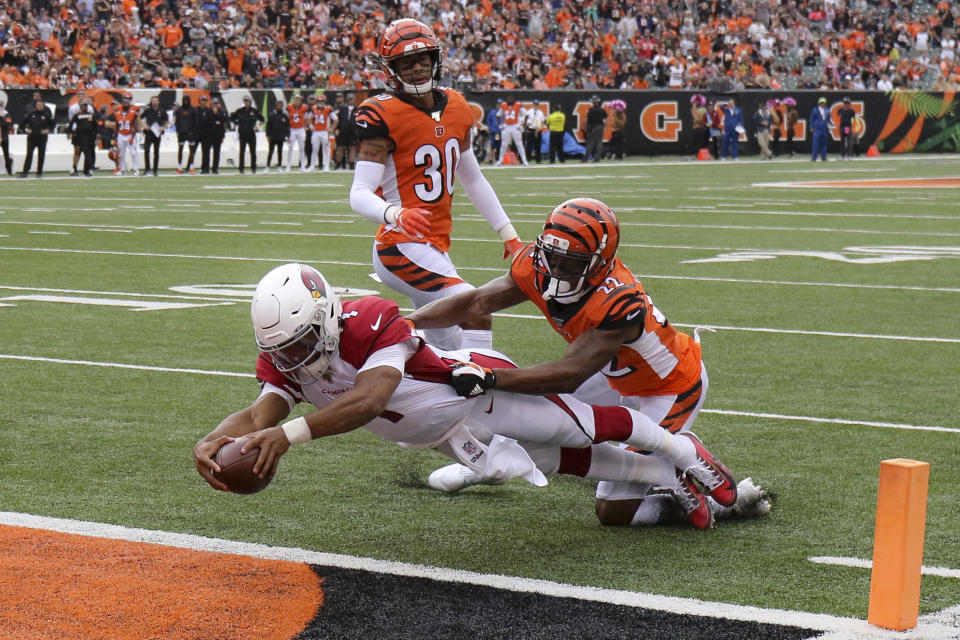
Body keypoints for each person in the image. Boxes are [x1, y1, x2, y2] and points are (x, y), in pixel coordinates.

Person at [192, 263, 738, 532]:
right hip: (444, 435)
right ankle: (664, 478)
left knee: (587, 426)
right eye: (283, 348)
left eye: (303, 341)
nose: (294, 357)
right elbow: (258, 410)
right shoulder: (285, 357)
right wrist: (218, 437)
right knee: (554, 462)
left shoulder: (370, 321)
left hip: (477, 396)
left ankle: (685, 454)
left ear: (328, 318)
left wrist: (285, 437)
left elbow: (368, 401)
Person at [407, 198, 747, 530]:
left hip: (668, 385)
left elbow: (569, 375)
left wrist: (491, 377)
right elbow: (476, 302)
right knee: (532, 418)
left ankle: (686, 470)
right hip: (610, 374)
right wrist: (408, 324)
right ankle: (493, 465)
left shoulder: (618, 301)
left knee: (613, 511)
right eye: (552, 257)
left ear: (600, 262)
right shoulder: (536, 265)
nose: (556, 270)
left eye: (570, 263)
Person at [349, 18, 523, 352]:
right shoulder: (382, 112)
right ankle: (484, 382)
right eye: (405, 62)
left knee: (446, 346)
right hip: (398, 246)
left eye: (422, 59)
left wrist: (510, 236)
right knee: (472, 303)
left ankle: (429, 393)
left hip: (435, 245)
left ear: (436, 60)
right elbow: (358, 194)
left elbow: (473, 178)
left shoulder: (457, 105)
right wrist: (394, 214)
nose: (416, 68)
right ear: (391, 69)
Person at [18, 98, 53, 178]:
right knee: (29, 154)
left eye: (41, 105)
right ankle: (25, 172)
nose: (39, 107)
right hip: (32, 138)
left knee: (41, 155)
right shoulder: (31, 114)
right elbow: (22, 125)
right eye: (38, 105)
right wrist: (26, 130)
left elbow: (53, 124)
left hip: (42, 138)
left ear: (43, 106)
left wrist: (48, 130)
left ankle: (39, 172)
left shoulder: (47, 115)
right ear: (36, 106)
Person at [232, 95, 264, 174]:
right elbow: (232, 117)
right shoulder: (239, 111)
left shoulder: (254, 111)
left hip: (251, 133)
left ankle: (253, 168)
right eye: (245, 101)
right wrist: (237, 123)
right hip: (242, 133)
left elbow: (262, 120)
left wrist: (257, 127)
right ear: (244, 102)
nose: (246, 102)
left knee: (253, 152)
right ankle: (241, 169)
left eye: (248, 101)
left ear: (250, 102)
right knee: (242, 152)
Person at [67, 99, 99, 177]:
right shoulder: (77, 115)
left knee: (88, 153)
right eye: (82, 105)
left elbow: (95, 126)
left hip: (89, 136)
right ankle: (74, 168)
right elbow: (71, 125)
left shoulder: (91, 115)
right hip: (78, 136)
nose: (84, 107)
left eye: (85, 105)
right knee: (77, 151)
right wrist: (69, 132)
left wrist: (96, 136)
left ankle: (88, 169)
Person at [496, 95, 528, 166]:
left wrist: (522, 125)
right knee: (504, 144)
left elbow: (526, 115)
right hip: (506, 126)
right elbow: (498, 115)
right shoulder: (503, 105)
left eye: (511, 98)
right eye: (508, 98)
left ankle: (524, 160)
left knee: (519, 144)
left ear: (514, 99)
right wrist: (500, 125)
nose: (510, 99)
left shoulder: (518, 105)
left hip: (515, 126)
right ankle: (500, 161)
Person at [140, 95, 168, 176]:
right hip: (149, 133)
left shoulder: (162, 111)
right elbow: (139, 118)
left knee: (156, 152)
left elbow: (167, 121)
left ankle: (155, 170)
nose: (154, 102)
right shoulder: (148, 110)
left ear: (158, 102)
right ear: (151, 102)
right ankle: (147, 169)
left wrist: (163, 127)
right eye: (153, 101)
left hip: (157, 134)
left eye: (156, 100)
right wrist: (144, 126)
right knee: (146, 151)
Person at [114, 92, 140, 175]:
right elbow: (116, 124)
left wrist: (133, 136)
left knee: (133, 152)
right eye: (125, 99)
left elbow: (135, 123)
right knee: (121, 154)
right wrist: (115, 137)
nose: (126, 101)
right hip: (121, 135)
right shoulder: (118, 110)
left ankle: (136, 170)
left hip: (130, 134)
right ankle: (122, 170)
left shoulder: (134, 110)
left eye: (128, 99)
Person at [200, 98, 228, 174]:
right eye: (214, 103)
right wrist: (215, 122)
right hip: (208, 135)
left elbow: (224, 120)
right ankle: (205, 168)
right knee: (206, 153)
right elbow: (205, 122)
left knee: (217, 153)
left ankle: (215, 169)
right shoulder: (207, 112)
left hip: (218, 135)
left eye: (216, 103)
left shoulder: (222, 112)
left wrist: (216, 115)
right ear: (211, 104)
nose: (215, 105)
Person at [174, 95, 199, 175]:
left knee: (192, 150)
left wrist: (194, 132)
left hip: (191, 133)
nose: (185, 101)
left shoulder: (193, 109)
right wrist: (177, 131)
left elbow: (195, 121)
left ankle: (191, 167)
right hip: (181, 133)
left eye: (187, 100)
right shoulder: (179, 110)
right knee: (180, 150)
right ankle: (179, 167)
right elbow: (177, 122)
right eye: (184, 100)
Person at [308, 93, 333, 172]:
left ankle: (326, 166)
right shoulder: (314, 108)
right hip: (316, 132)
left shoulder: (328, 109)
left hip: (324, 132)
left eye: (321, 101)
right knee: (314, 149)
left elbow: (336, 119)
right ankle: (312, 166)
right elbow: (309, 118)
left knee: (326, 149)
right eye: (319, 100)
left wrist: (331, 128)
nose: (320, 102)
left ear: (324, 101)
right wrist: (311, 126)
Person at [333, 93, 357, 170]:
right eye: (349, 99)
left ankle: (351, 164)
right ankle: (338, 164)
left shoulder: (357, 109)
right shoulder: (343, 109)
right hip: (343, 131)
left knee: (352, 148)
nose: (350, 100)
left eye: (351, 99)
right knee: (340, 148)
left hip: (352, 131)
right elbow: (339, 120)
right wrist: (337, 129)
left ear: (354, 99)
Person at [286, 94, 309, 172]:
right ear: (293, 99)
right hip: (292, 129)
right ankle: (288, 166)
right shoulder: (289, 107)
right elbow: (286, 118)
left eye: (298, 99)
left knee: (302, 148)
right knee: (290, 148)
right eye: (296, 99)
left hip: (300, 129)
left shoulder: (304, 108)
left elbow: (306, 118)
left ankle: (302, 165)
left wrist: (305, 126)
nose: (297, 101)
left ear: (300, 100)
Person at [265, 100, 289, 173]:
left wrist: (287, 136)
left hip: (281, 137)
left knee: (280, 152)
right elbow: (268, 125)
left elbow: (287, 126)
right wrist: (268, 135)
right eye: (278, 105)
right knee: (270, 152)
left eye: (281, 105)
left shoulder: (284, 115)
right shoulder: (272, 115)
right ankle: (267, 166)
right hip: (273, 136)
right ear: (276, 106)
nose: (280, 107)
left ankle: (279, 166)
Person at [583, 95, 606, 162]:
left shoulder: (591, 110)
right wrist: (605, 126)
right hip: (600, 127)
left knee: (590, 143)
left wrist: (584, 126)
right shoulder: (602, 110)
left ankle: (586, 158)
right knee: (599, 143)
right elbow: (606, 119)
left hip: (593, 127)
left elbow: (586, 119)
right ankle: (597, 158)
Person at [523, 99, 545, 164]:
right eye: (535, 104)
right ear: (533, 105)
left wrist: (540, 128)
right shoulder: (529, 112)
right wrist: (527, 128)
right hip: (531, 130)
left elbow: (542, 121)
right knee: (529, 145)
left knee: (538, 146)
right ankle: (528, 159)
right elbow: (526, 121)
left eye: (537, 105)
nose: (536, 106)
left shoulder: (540, 112)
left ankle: (538, 160)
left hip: (538, 130)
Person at [810, 96, 830, 161]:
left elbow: (828, 119)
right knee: (816, 143)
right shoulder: (815, 110)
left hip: (824, 128)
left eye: (823, 102)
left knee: (824, 143)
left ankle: (823, 157)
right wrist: (811, 127)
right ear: (819, 103)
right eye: (821, 102)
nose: (822, 104)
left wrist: (829, 125)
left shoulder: (827, 110)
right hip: (817, 129)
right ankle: (814, 157)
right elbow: (811, 119)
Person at [0, 98, 12, 176]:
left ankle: (9, 171)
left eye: (1, 105)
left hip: (4, 137)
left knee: (6, 154)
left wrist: (1, 118)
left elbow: (7, 124)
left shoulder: (6, 114)